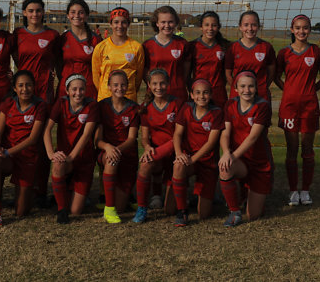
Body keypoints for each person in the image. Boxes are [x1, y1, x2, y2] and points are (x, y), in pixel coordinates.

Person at [274, 15, 320, 207]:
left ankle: (305, 190)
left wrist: (310, 91)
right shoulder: (284, 53)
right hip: (289, 107)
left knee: (307, 150)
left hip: (309, 107)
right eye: (297, 28)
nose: (301, 31)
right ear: (292, 30)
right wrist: (289, 91)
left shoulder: (316, 52)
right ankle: (292, 191)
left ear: (310, 30)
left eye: (305, 28)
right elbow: (276, 77)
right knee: (291, 150)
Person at [0, 70, 47, 226]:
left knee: (21, 212)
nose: (24, 89)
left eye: (28, 85)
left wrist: (6, 152)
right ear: (14, 88)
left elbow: (32, 139)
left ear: (34, 86)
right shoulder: (8, 104)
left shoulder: (40, 105)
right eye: (20, 85)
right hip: (8, 156)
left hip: (27, 157)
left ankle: (30, 191)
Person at [218, 71, 273, 227]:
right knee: (225, 166)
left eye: (251, 86)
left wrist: (232, 156)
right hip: (240, 160)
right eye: (242, 86)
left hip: (260, 163)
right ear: (235, 88)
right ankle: (234, 212)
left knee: (253, 215)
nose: (246, 90)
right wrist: (226, 153)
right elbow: (225, 133)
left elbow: (252, 138)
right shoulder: (230, 104)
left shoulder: (263, 106)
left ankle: (249, 191)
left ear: (256, 88)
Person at [44, 74, 99, 223]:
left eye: (81, 89)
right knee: (58, 164)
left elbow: (86, 135)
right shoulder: (61, 103)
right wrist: (51, 154)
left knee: (75, 211)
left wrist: (71, 157)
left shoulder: (92, 105)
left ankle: (68, 189)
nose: (78, 93)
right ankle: (61, 210)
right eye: (74, 89)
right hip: (66, 158)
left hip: (84, 160)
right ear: (67, 91)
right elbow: (47, 129)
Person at [132, 69, 184, 223]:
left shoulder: (178, 104)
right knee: (145, 164)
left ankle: (179, 194)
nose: (159, 87)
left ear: (168, 84)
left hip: (175, 151)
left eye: (162, 83)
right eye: (154, 84)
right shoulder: (145, 106)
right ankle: (142, 208)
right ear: (149, 85)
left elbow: (179, 136)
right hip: (157, 151)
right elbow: (144, 137)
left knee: (169, 210)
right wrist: (147, 147)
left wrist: (159, 151)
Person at [171, 79, 224, 227]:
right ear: (192, 95)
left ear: (211, 95)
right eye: (198, 93)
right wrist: (179, 154)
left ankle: (203, 195)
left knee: (204, 214)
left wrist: (192, 159)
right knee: (178, 166)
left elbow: (211, 143)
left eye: (205, 93)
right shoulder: (186, 108)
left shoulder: (217, 112)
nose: (202, 96)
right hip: (189, 159)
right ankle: (182, 211)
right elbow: (177, 134)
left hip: (207, 162)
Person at [96, 70, 140, 223]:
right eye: (115, 85)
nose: (119, 88)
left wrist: (116, 150)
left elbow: (132, 139)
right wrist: (108, 147)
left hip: (127, 155)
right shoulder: (102, 106)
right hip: (107, 153)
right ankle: (109, 209)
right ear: (109, 86)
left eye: (123, 85)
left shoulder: (133, 108)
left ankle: (121, 200)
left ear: (127, 86)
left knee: (121, 207)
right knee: (111, 160)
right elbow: (97, 140)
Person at [12, 0, 59, 104]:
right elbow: (15, 55)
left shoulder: (53, 35)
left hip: (44, 84)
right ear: (24, 13)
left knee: (44, 112)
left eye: (38, 11)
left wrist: (51, 70)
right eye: (31, 11)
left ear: (43, 12)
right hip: (24, 84)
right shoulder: (18, 33)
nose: (35, 14)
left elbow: (57, 58)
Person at [92, 7, 145, 101]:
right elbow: (96, 77)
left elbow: (139, 77)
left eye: (123, 22)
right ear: (111, 24)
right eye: (116, 22)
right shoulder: (100, 47)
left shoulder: (136, 47)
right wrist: (105, 92)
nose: (120, 26)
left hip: (128, 99)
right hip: (106, 98)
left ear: (128, 24)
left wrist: (129, 91)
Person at [224, 10, 276, 103]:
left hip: (261, 96)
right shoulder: (232, 48)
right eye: (246, 25)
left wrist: (261, 87)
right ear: (240, 27)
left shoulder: (266, 47)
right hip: (238, 96)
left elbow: (271, 73)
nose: (250, 28)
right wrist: (238, 88)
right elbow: (228, 74)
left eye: (254, 25)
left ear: (258, 26)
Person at [54, 0, 101, 100]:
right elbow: (58, 65)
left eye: (81, 12)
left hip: (88, 89)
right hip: (66, 88)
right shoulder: (62, 39)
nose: (76, 15)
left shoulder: (96, 40)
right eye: (73, 12)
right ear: (68, 15)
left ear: (87, 15)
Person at [143, 5, 190, 101]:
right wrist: (153, 85)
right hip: (155, 94)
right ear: (157, 23)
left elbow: (186, 72)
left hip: (178, 93)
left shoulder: (183, 44)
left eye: (170, 22)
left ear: (176, 23)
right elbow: (144, 72)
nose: (167, 25)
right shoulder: (147, 45)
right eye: (163, 22)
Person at [188, 11, 230, 107]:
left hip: (218, 94)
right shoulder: (192, 46)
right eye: (206, 25)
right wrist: (194, 89)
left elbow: (227, 73)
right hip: (199, 94)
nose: (210, 28)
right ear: (201, 27)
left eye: (214, 25)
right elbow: (187, 75)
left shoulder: (225, 46)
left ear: (218, 27)